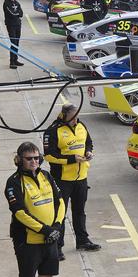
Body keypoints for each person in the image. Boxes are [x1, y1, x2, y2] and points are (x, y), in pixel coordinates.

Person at [6, 142, 74, 277]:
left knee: (47, 276)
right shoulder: (13, 182)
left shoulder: (46, 176)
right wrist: (45, 230)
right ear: (19, 160)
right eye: (29, 158)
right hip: (28, 241)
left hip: (50, 238)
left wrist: (57, 225)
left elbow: (59, 201)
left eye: (37, 157)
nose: (34, 161)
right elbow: (19, 212)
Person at [43, 104, 100, 252]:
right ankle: (57, 247)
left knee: (80, 211)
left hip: (81, 178)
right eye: (72, 118)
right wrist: (72, 159)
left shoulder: (81, 126)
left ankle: (82, 241)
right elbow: (49, 156)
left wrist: (88, 152)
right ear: (63, 116)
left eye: (77, 117)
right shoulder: (53, 130)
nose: (76, 121)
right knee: (60, 214)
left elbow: (89, 142)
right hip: (62, 180)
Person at [4, 0, 25, 68]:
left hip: (18, 24)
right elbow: (12, 13)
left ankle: (15, 59)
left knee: (17, 43)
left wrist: (17, 14)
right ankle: (11, 62)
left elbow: (21, 13)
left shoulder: (17, 3)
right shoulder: (6, 3)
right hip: (11, 25)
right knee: (13, 43)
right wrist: (17, 14)